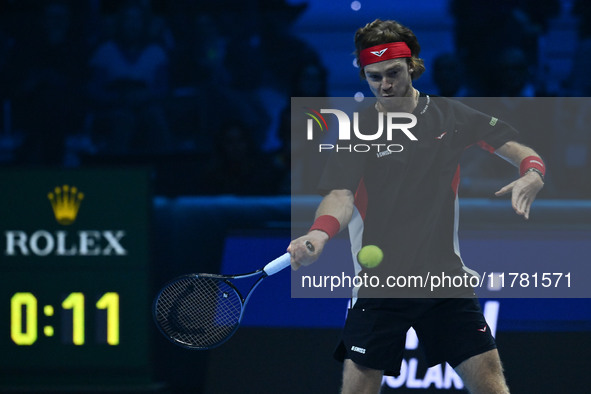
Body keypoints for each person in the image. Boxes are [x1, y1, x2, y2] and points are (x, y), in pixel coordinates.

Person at [288, 19, 545, 394]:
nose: (385, 85)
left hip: (444, 281)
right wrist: (318, 233)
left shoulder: (452, 116)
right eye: (374, 77)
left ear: (412, 65)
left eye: (393, 72)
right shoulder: (357, 129)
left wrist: (533, 173)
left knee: (492, 385)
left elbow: (521, 151)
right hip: (379, 286)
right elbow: (340, 195)